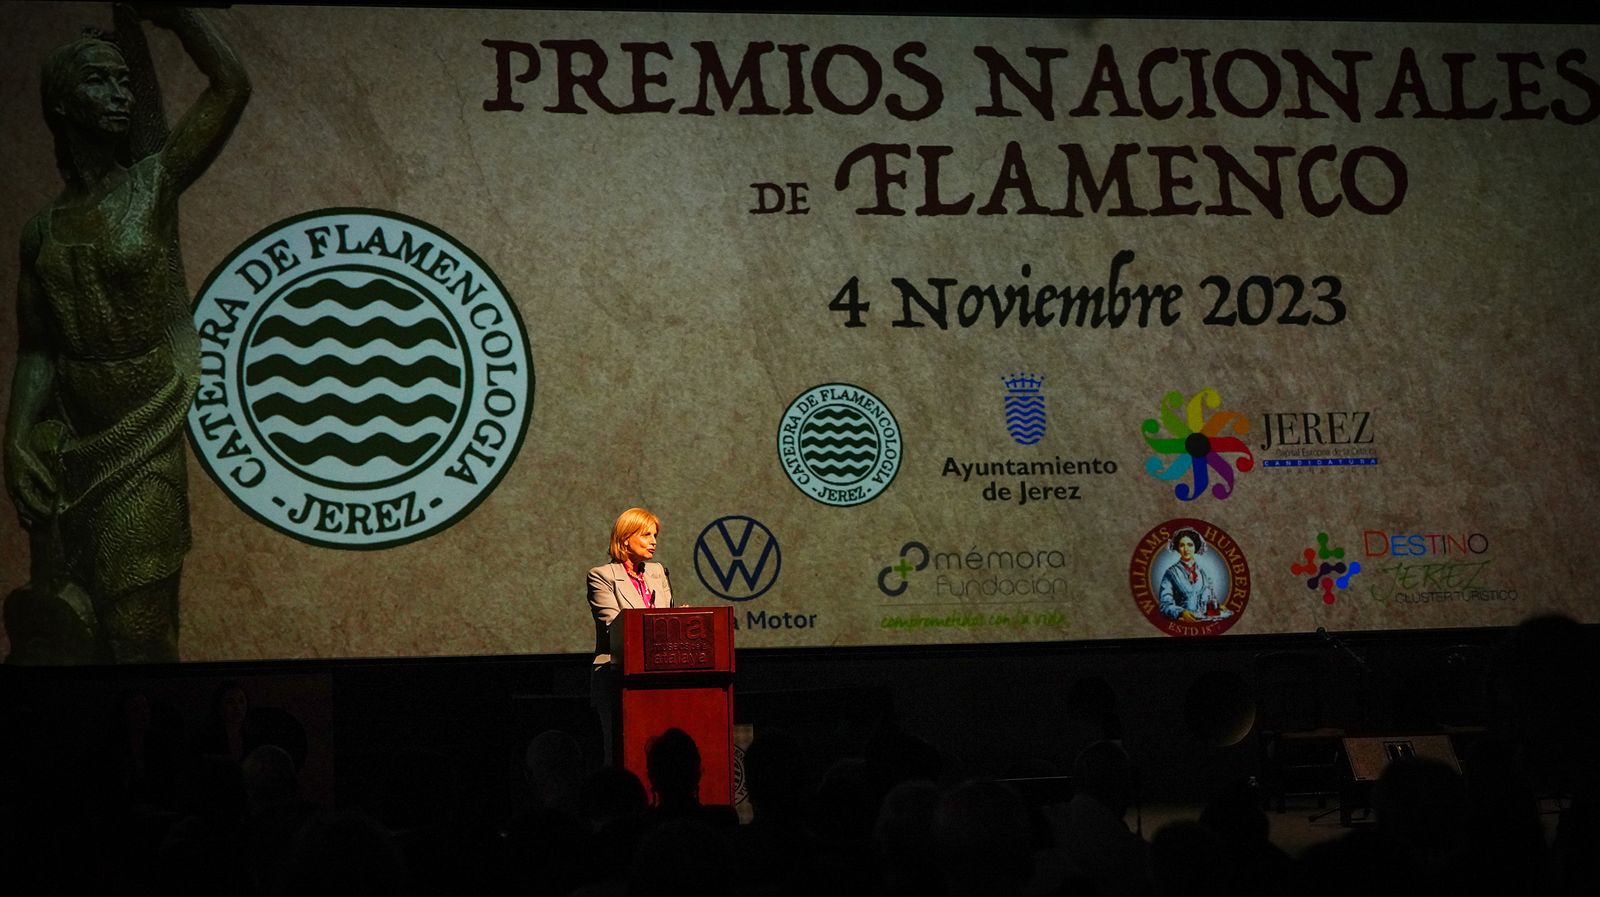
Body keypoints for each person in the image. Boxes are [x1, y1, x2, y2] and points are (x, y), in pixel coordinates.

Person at [4, 6, 250, 662]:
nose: (120, 95)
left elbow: (231, 85)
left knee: (137, 632)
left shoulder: (154, 182)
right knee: (68, 635)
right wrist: (16, 436)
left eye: (124, 82)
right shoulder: (42, 230)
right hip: (69, 445)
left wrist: (178, 16)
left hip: (144, 433)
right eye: (99, 83)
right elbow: (37, 349)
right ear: (61, 102)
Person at [586, 507, 673, 761]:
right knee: (622, 754)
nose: (654, 541)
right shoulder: (601, 576)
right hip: (617, 677)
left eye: (655, 535)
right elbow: (615, 626)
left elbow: (665, 614)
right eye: (646, 535)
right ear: (625, 538)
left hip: (659, 674)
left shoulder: (658, 572)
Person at [1157, 528, 1224, 622]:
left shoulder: (1203, 573)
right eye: (1182, 545)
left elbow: (1209, 598)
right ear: (1177, 548)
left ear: (1195, 547)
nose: (1186, 549)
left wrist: (1218, 607)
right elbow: (1164, 605)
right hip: (1181, 624)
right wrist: (1181, 613)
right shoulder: (1171, 573)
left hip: (1203, 622)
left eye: (1190, 545)